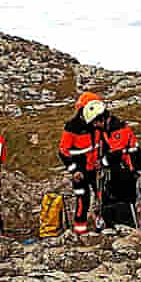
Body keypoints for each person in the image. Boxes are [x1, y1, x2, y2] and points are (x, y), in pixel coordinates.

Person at [58, 92, 107, 235]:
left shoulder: (97, 124)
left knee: (101, 197)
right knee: (83, 200)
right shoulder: (72, 127)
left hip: (95, 170)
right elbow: (63, 151)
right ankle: (80, 231)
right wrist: (74, 171)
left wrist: (102, 161)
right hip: (80, 172)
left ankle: (101, 226)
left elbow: (103, 144)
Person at [95, 103, 141, 232]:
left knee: (126, 201)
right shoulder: (107, 130)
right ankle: (113, 227)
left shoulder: (119, 129)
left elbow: (116, 153)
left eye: (96, 123)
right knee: (110, 199)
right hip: (119, 170)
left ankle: (132, 229)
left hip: (128, 170)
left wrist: (102, 162)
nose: (95, 126)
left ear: (101, 119)